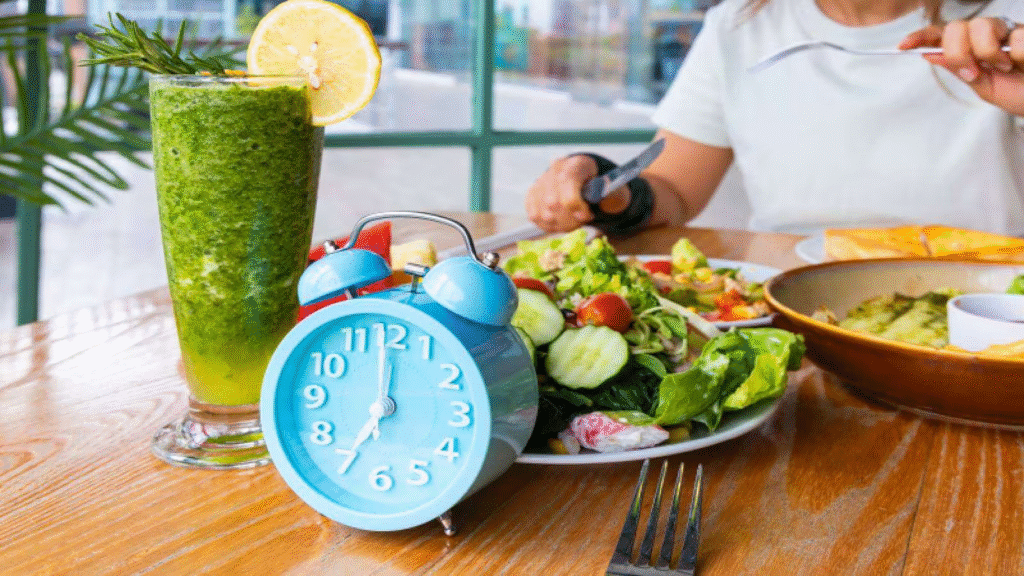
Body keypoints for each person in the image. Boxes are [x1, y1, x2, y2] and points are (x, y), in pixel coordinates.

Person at [525, 0, 1024, 238]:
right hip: (792, 300)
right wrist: (605, 189)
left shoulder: (1005, 29)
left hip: (982, 301)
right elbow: (672, 190)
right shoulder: (739, 26)